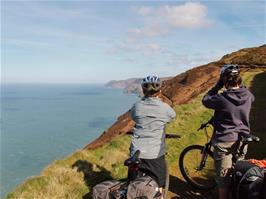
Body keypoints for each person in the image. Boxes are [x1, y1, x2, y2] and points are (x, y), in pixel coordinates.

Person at [202, 64, 255, 199]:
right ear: (239, 79)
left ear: (224, 81)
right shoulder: (248, 95)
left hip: (224, 141)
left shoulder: (222, 98)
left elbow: (205, 100)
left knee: (223, 180)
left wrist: (218, 85)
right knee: (237, 173)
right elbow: (245, 93)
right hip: (242, 140)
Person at [129, 75, 176, 195]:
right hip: (155, 153)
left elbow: (134, 116)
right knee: (158, 186)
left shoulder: (136, 106)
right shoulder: (165, 108)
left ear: (143, 91)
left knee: (134, 187)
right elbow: (172, 116)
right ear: (159, 91)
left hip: (136, 152)